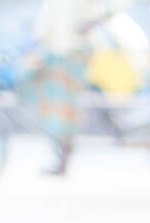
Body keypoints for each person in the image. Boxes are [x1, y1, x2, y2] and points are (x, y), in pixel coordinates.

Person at [26, 0, 110, 176]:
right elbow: (46, 22)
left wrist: (92, 22)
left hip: (75, 52)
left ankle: (64, 158)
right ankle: (60, 157)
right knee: (53, 107)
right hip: (55, 52)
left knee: (66, 108)